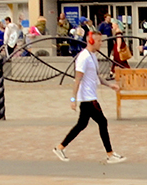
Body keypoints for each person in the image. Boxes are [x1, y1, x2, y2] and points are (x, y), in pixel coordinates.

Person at [52, 32, 126, 164]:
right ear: (91, 41)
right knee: (102, 122)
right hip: (88, 98)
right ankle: (110, 154)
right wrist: (73, 99)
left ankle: (60, 147)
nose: (101, 43)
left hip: (90, 96)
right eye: (99, 41)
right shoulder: (83, 58)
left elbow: (96, 76)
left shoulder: (92, 56)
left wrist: (110, 85)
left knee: (82, 124)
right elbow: (77, 80)